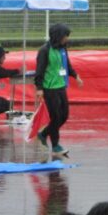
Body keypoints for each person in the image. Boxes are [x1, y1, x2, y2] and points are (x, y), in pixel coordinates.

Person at [34, 23, 83, 156]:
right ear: (58, 36)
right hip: (49, 88)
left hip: (61, 85)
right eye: (65, 36)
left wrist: (75, 75)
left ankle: (44, 134)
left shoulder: (62, 49)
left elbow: (67, 65)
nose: (67, 39)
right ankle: (55, 146)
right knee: (55, 117)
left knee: (64, 115)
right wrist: (39, 88)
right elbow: (40, 70)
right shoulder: (44, 50)